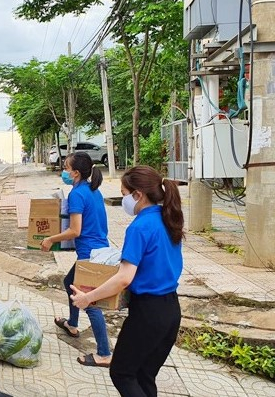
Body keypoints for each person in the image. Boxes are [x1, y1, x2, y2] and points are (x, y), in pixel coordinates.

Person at [70, 165, 184, 396]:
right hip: (171, 310)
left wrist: (88, 298)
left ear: (138, 195)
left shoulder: (140, 227)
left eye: (124, 195)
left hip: (148, 313)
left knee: (122, 373)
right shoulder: (168, 218)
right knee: (144, 374)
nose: (123, 201)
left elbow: (124, 278)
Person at [40, 152, 112, 368]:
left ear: (76, 172)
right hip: (99, 250)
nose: (64, 170)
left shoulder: (77, 194)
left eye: (66, 167)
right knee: (68, 283)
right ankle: (72, 324)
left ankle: (105, 353)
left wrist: (50, 239)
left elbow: (75, 230)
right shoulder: (92, 190)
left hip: (89, 255)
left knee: (90, 303)